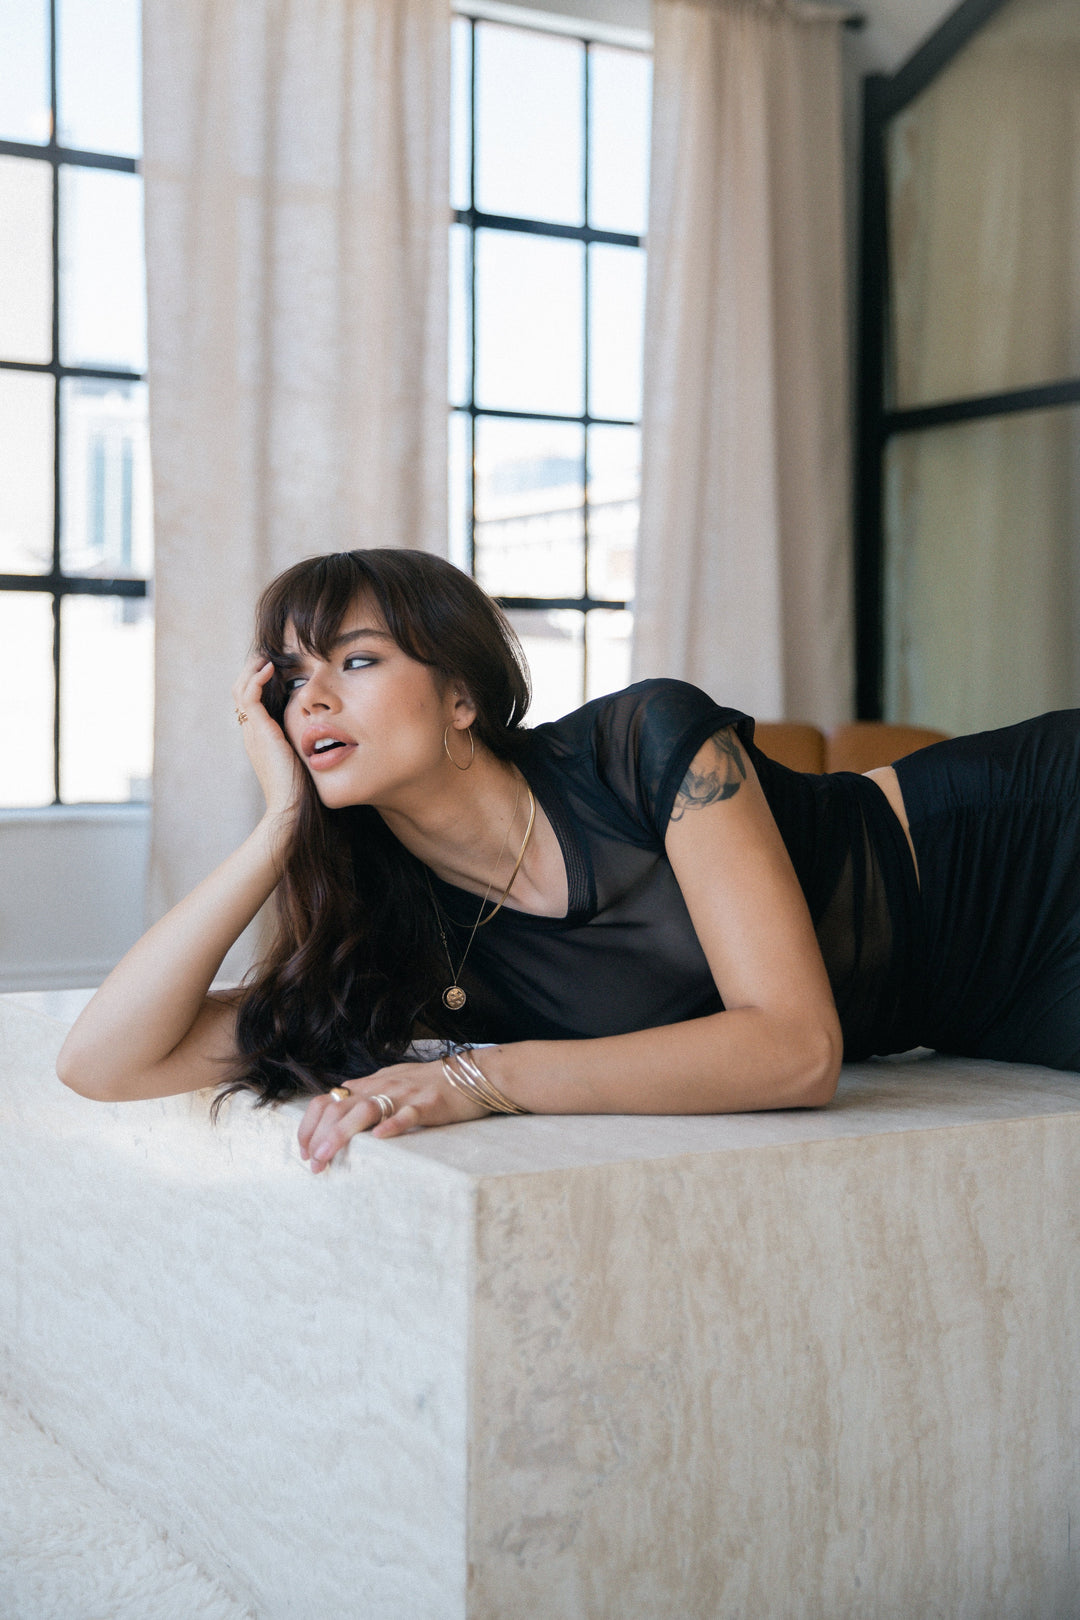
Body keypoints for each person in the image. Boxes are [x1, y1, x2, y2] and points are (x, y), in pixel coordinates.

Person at [57, 548, 1080, 1171]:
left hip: (1035, 838)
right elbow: (102, 1063)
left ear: (461, 697)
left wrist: (482, 1078)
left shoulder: (646, 744)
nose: (312, 697)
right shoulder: (407, 947)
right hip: (978, 1013)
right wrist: (279, 822)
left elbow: (798, 1051)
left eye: (357, 660)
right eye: (289, 682)